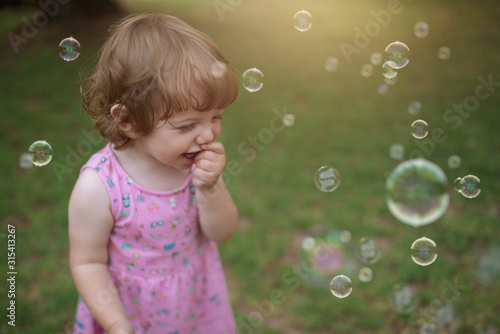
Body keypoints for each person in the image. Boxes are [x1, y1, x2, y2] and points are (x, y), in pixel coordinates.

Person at [68, 13, 239, 334]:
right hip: (130, 311)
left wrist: (210, 189)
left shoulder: (198, 168)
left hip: (196, 304)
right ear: (128, 119)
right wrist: (118, 325)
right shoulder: (100, 186)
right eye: (187, 125)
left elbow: (222, 232)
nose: (208, 136)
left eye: (216, 117)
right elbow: (87, 262)